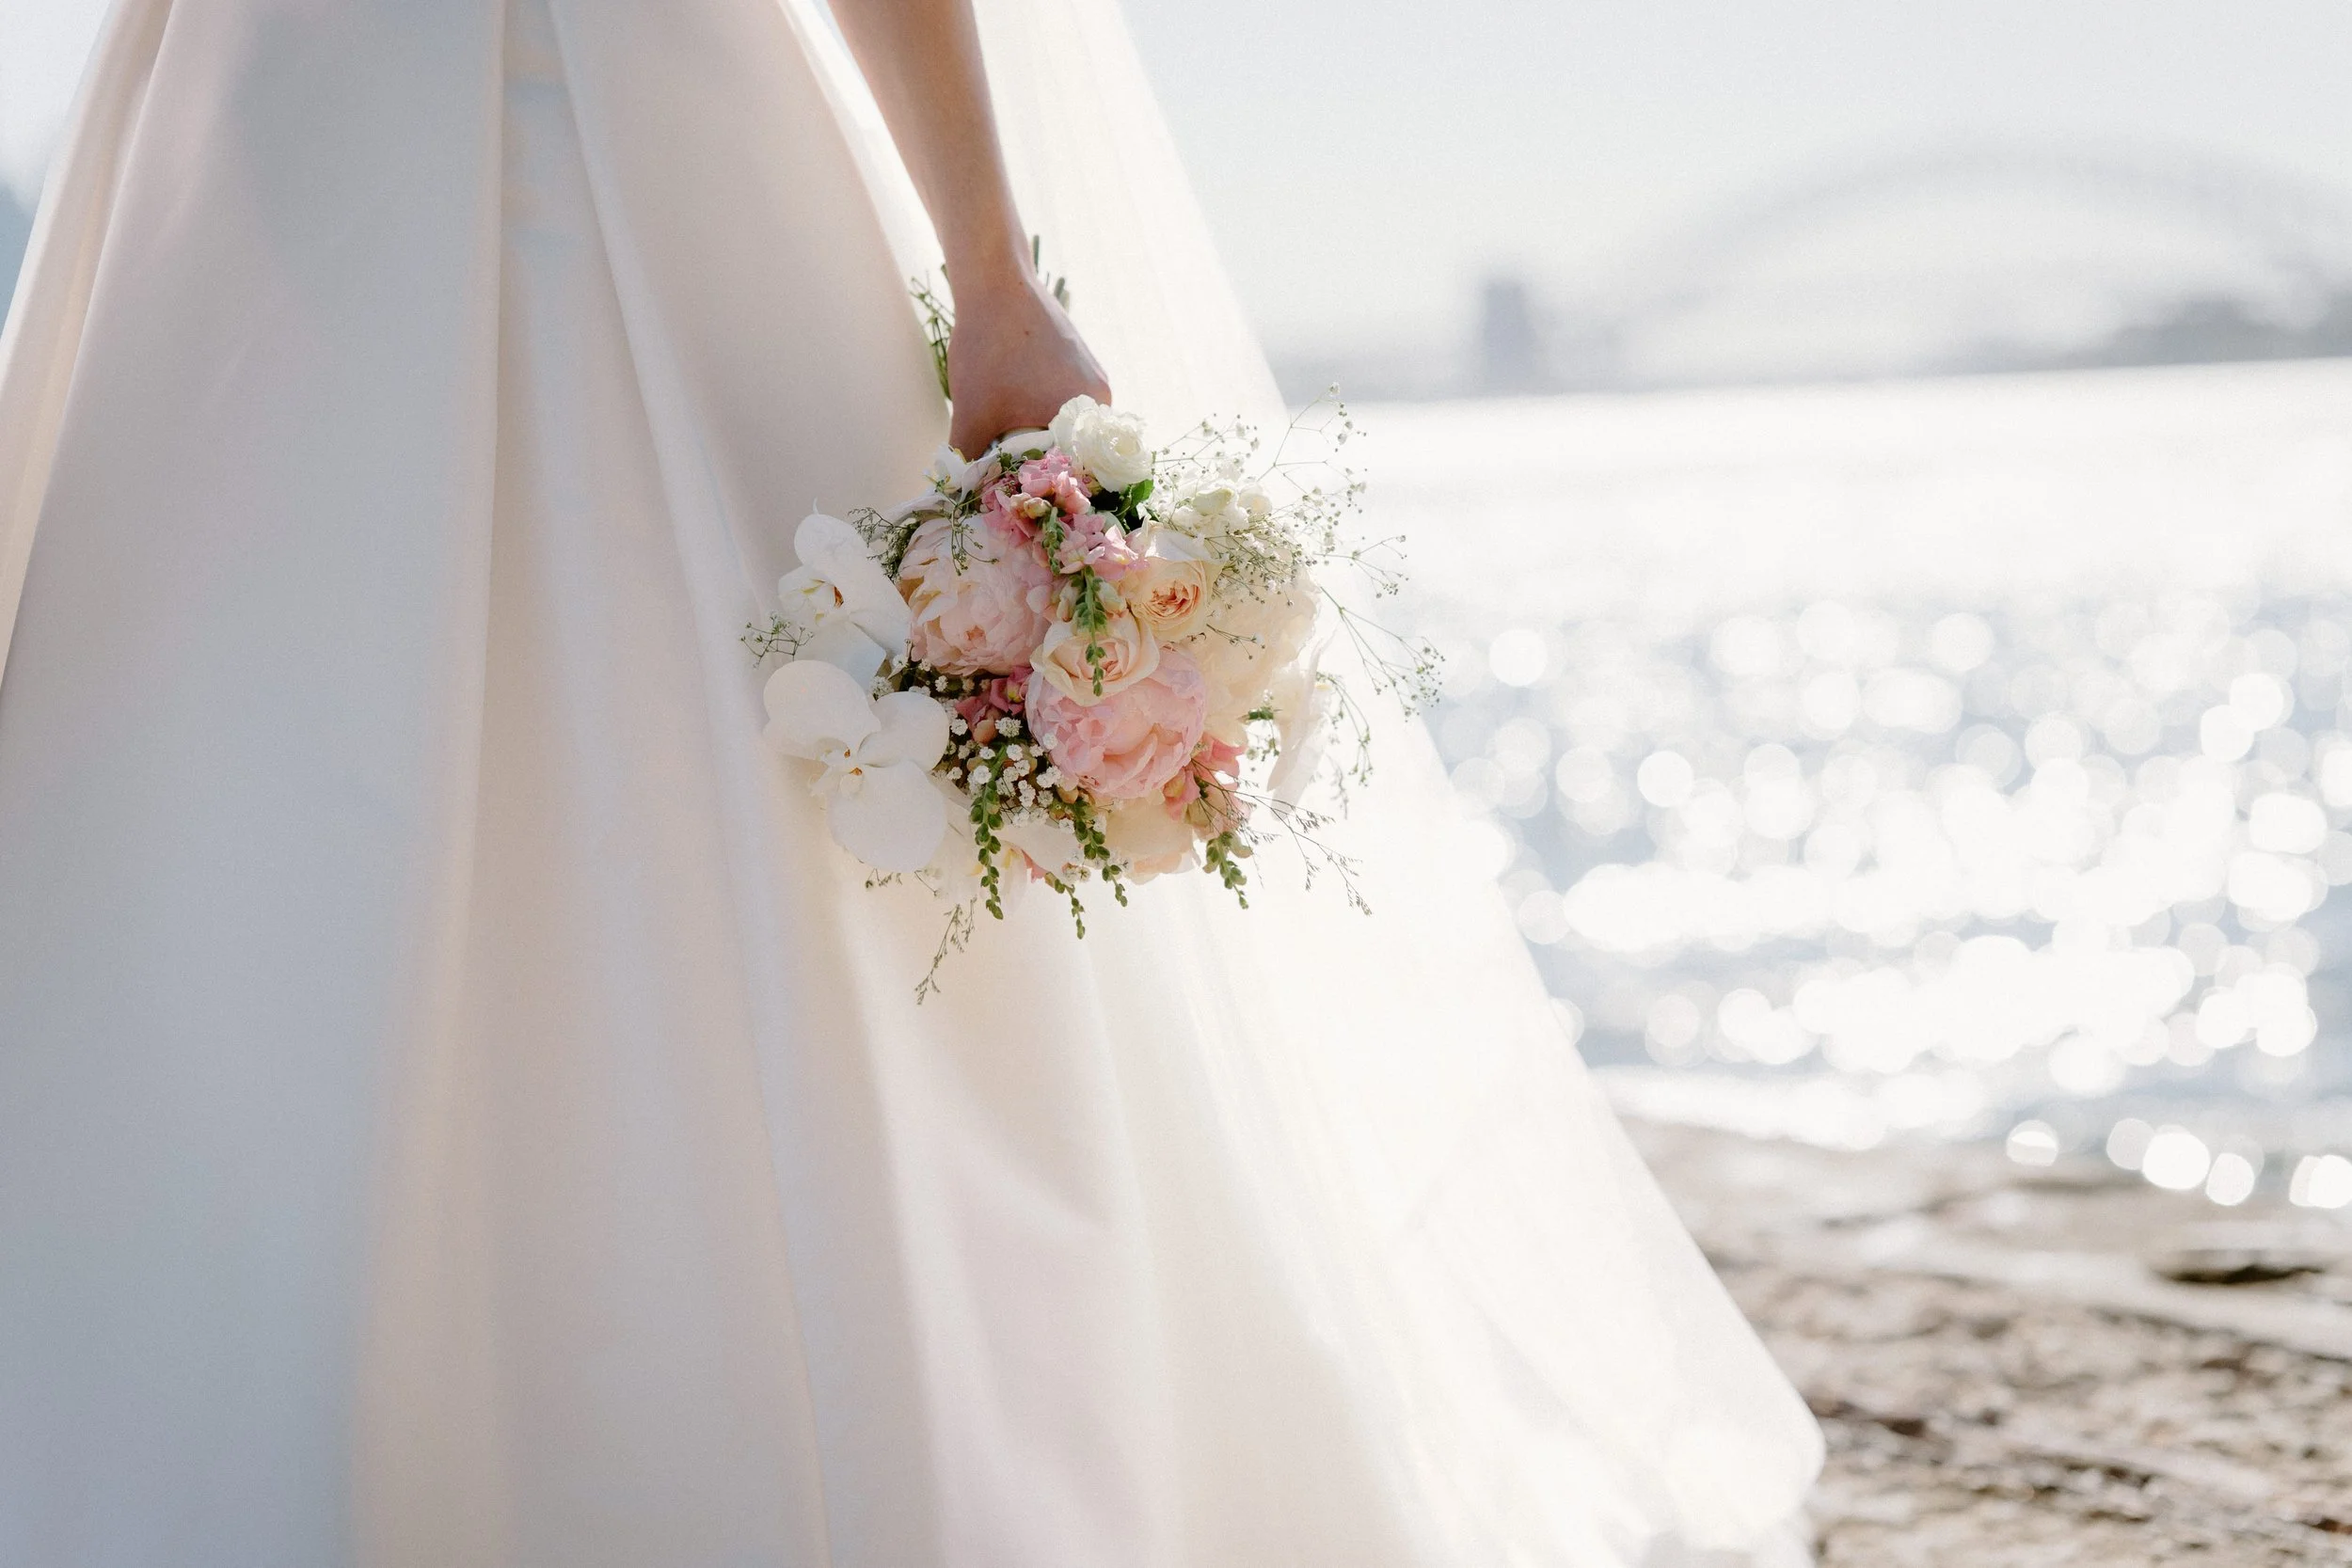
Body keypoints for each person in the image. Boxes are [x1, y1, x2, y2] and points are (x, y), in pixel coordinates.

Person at [0, 0, 1821, 1561]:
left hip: (394, 152)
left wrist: (994, 275)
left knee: (543, 805)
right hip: (303, 168)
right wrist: (989, 269)